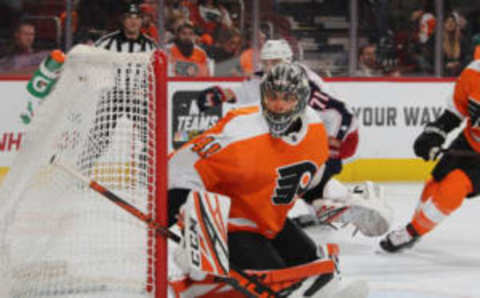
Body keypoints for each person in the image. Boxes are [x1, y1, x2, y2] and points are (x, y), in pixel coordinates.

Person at [167, 63, 369, 297]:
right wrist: (183, 220)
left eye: (288, 98)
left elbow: (312, 180)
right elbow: (181, 168)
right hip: (230, 223)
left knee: (319, 273)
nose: (279, 105)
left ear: (302, 100)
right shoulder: (237, 131)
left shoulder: (314, 128)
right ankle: (202, 281)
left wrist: (342, 200)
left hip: (270, 220)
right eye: (272, 96)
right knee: (276, 286)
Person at [195, 39, 386, 236]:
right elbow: (245, 91)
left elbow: (341, 113)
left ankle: (350, 200)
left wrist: (333, 139)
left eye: (275, 62)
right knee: (298, 170)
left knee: (305, 171)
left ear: (288, 61)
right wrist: (219, 94)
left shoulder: (300, 81)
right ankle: (334, 204)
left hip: (340, 134)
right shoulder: (271, 78)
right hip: (308, 131)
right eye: (266, 62)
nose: (270, 67)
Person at [380, 59, 480, 252]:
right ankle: (415, 228)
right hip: (469, 142)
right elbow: (455, 112)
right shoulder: (474, 72)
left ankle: (411, 232)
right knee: (436, 182)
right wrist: (435, 133)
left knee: (455, 184)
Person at [94, 3, 158, 53]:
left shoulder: (151, 45)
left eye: (137, 18)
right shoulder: (106, 42)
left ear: (141, 21)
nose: (133, 22)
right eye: (129, 17)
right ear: (123, 20)